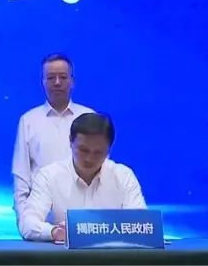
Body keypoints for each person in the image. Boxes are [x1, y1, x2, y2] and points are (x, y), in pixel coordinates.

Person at [18, 113, 147, 243]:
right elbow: (27, 224)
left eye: (98, 152)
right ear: (70, 141)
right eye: (83, 150)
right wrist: (54, 232)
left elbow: (142, 225)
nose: (89, 159)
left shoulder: (123, 176)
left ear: (109, 149)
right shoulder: (49, 176)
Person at [12, 53, 94, 223]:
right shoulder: (29, 120)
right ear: (43, 82)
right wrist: (25, 219)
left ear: (72, 81)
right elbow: (21, 176)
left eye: (63, 77)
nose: (57, 83)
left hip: (83, 219)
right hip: (42, 221)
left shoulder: (89, 117)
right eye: (50, 78)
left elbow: (102, 170)